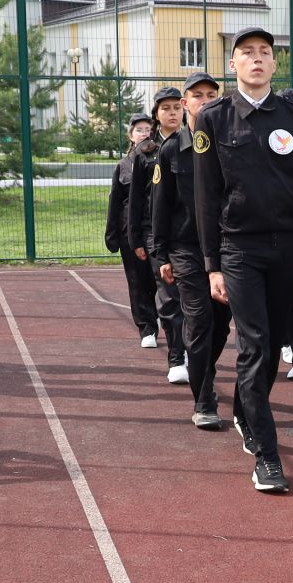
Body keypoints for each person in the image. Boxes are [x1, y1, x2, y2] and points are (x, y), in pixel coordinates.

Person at [193, 27, 293, 494]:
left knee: (271, 348)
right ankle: (267, 456)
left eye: (265, 53)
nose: (257, 59)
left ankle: (248, 412)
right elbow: (206, 196)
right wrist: (212, 264)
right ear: (233, 65)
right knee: (256, 346)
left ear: (274, 63)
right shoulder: (214, 118)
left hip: (286, 250)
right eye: (247, 53)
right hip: (239, 249)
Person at [150, 71, 228, 428]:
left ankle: (203, 370)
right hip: (187, 251)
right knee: (199, 320)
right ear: (185, 104)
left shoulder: (231, 141)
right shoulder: (170, 150)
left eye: (212, 94)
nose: (206, 100)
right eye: (198, 95)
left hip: (228, 249)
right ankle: (204, 401)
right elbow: (160, 208)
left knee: (223, 324)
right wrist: (161, 255)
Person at [128, 91, 185, 383]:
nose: (172, 113)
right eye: (166, 108)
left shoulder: (196, 144)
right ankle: (177, 357)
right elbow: (135, 199)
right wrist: (135, 238)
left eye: (177, 107)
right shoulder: (145, 152)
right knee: (169, 296)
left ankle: (189, 349)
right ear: (156, 114)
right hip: (155, 235)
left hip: (189, 233)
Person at [106, 114, 159, 348]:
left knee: (160, 280)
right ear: (130, 136)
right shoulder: (123, 166)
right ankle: (147, 327)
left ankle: (165, 321)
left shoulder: (161, 159)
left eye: (148, 129)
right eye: (139, 130)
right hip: (131, 231)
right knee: (137, 281)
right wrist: (112, 234)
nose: (145, 133)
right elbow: (115, 201)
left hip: (158, 230)